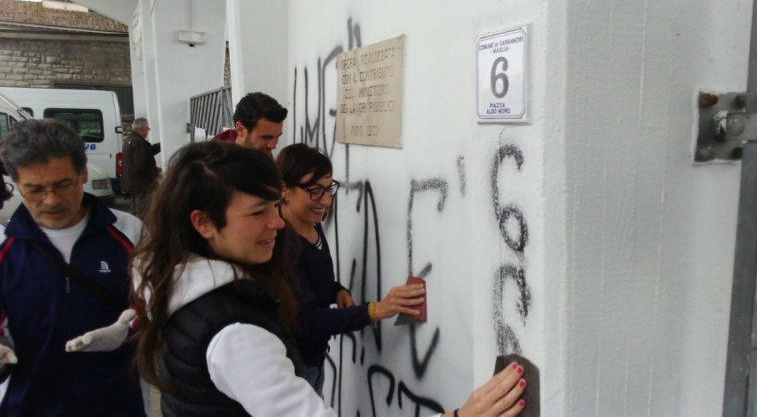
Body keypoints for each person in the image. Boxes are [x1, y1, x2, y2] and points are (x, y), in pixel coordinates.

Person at [131, 141, 527, 417]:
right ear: (202, 222)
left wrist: (337, 290)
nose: (276, 222)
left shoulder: (185, 284)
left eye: (274, 207)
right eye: (257, 212)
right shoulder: (234, 332)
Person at [0, 119, 145, 416]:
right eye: (34, 190)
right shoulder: (3, 246)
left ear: (83, 174)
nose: (51, 200)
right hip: (27, 406)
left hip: (119, 403)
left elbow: (161, 306)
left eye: (63, 185)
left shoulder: (131, 232)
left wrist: (131, 329)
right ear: (15, 186)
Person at [276, 143, 426, 395]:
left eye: (329, 189)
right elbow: (307, 320)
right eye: (315, 191)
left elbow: (309, 280)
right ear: (285, 190)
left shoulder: (309, 221)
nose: (326, 201)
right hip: (294, 366)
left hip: (312, 359)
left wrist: (336, 290)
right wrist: (376, 310)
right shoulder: (281, 245)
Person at [213, 92, 287, 157]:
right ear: (240, 129)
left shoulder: (261, 153)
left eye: (277, 137)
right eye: (266, 137)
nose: (273, 146)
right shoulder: (216, 164)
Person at [122, 117, 161, 217]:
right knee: (142, 215)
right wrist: (155, 173)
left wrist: (162, 145)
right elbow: (142, 164)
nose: (148, 131)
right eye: (148, 129)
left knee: (134, 214)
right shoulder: (139, 142)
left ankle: (135, 227)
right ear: (143, 128)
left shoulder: (129, 140)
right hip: (141, 186)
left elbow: (146, 153)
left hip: (132, 185)